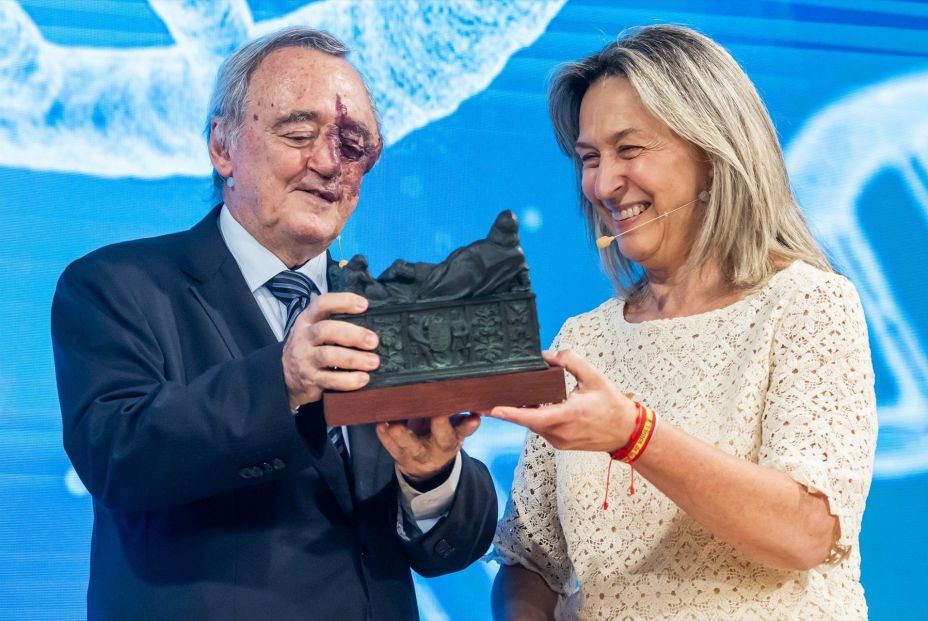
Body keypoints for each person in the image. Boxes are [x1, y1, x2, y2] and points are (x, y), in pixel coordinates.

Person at [51, 27, 497, 621]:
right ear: (222, 147)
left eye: (353, 144)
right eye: (298, 133)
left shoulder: (390, 313)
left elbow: (454, 548)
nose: (327, 163)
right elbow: (118, 457)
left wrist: (432, 473)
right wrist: (282, 381)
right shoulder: (116, 285)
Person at [488, 25, 877, 620]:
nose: (602, 183)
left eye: (630, 149)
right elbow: (531, 560)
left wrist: (634, 435)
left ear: (712, 153)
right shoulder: (583, 341)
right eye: (590, 158)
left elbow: (805, 531)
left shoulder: (808, 306)